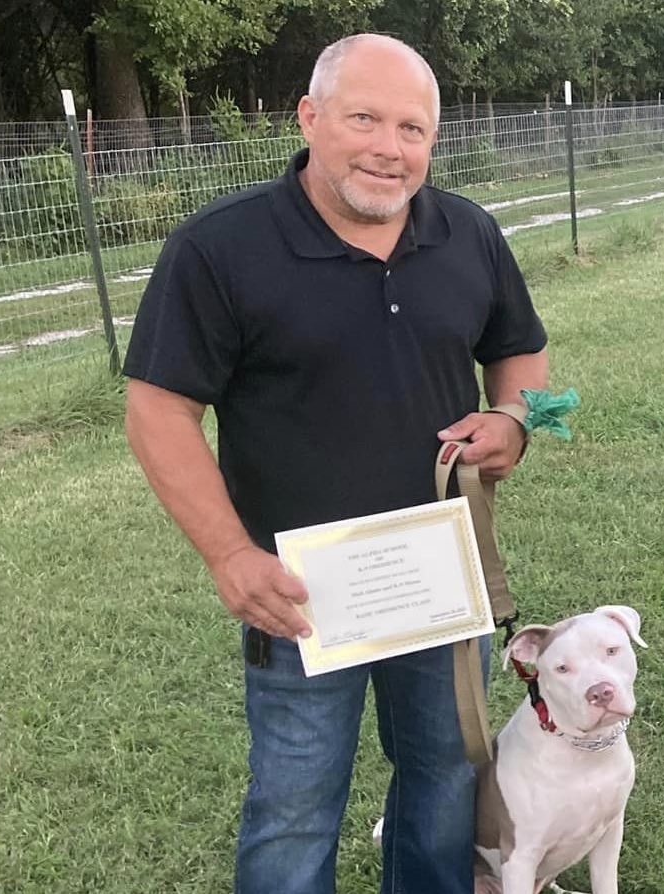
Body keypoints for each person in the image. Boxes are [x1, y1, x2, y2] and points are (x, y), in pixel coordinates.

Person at [121, 33, 549, 894]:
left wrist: (512, 420)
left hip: (439, 570)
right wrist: (230, 556)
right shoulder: (219, 249)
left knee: (444, 775)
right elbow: (158, 410)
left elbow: (521, 358)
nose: (390, 149)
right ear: (310, 118)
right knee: (294, 802)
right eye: (364, 119)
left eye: (413, 128)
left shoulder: (468, 232)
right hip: (302, 591)